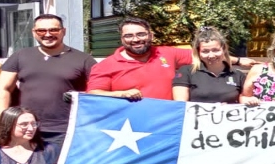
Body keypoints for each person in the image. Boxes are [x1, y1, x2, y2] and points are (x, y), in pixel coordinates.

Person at [88, 17, 254, 101]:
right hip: (131, 125)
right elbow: (93, 94)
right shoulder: (106, 66)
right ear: (122, 39)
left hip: (168, 122)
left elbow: (205, 54)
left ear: (150, 35)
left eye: (141, 34)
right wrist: (122, 94)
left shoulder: (167, 53)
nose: (136, 39)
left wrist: (238, 61)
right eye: (129, 36)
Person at [0, 14, 95, 147]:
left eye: (54, 30)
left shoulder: (84, 59)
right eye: (41, 31)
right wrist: (4, 121)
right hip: (25, 128)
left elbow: (97, 92)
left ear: (63, 31)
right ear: (34, 32)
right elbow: (3, 89)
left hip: (66, 130)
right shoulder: (20, 56)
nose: (47, 34)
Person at [173, 27, 246, 103]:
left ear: (224, 49)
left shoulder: (238, 75)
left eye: (216, 50)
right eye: (205, 51)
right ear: (198, 52)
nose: (211, 55)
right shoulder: (186, 72)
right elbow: (180, 104)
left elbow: (245, 98)